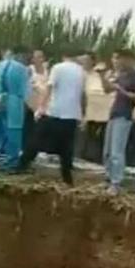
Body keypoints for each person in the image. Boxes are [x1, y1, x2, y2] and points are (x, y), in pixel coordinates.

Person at [25, 45, 86, 185]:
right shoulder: (81, 71)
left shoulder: (58, 68)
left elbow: (49, 87)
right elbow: (82, 94)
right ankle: (67, 177)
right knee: (67, 147)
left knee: (36, 139)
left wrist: (41, 107)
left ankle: (22, 164)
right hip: (72, 114)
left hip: (55, 111)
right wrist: (82, 113)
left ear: (63, 55)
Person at [99, 49, 135, 195]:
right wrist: (102, 76)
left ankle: (116, 183)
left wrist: (121, 89)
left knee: (116, 151)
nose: (115, 62)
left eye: (118, 59)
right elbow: (107, 89)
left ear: (127, 59)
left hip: (125, 115)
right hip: (114, 114)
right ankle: (108, 179)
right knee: (107, 151)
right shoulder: (122, 75)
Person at [0, 46, 30, 172]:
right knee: (13, 131)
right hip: (14, 102)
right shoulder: (21, 68)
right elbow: (25, 91)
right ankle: (11, 163)